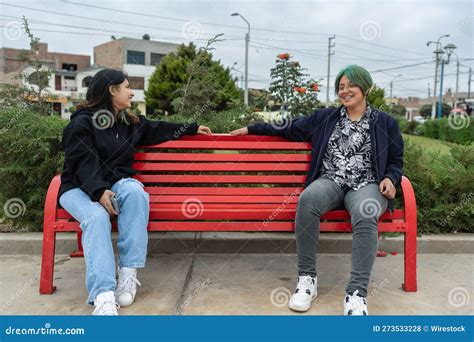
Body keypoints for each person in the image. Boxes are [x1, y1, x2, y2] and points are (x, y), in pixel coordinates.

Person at [230, 65, 403, 315]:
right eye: (341, 87)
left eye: (351, 85)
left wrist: (391, 178)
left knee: (366, 212)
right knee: (308, 200)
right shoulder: (325, 118)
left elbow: (396, 160)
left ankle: (356, 294)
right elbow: (287, 128)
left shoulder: (385, 123)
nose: (345, 91)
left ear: (365, 88)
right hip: (331, 181)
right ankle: (307, 280)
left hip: (367, 185)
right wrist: (252, 128)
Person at [59, 69, 211, 315]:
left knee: (135, 192)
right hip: (78, 188)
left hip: (113, 185)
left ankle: (127, 274)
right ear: (112, 90)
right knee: (96, 217)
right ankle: (103, 296)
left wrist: (191, 127)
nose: (131, 92)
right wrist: (99, 192)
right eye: (127, 87)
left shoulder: (129, 123)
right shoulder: (82, 122)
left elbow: (158, 128)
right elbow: (81, 162)